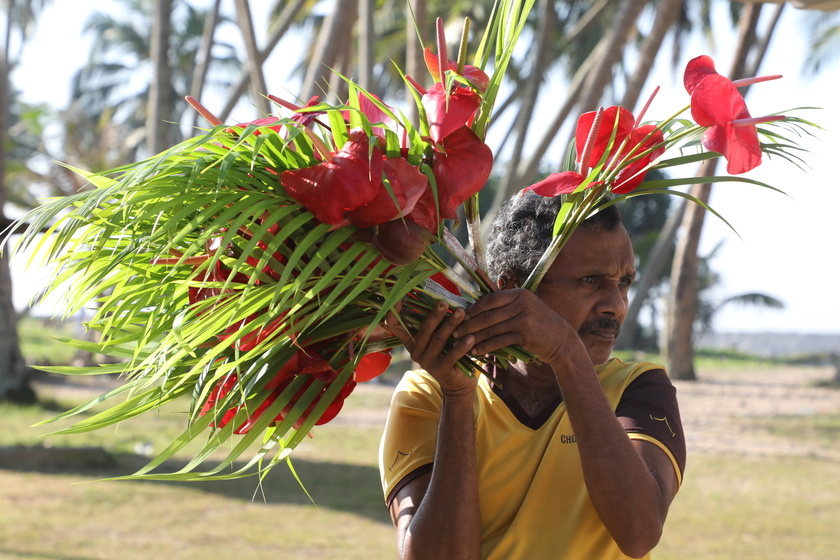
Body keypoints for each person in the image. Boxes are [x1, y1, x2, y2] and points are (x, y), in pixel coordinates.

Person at [379, 191, 686, 560]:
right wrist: (458, 399)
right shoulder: (429, 393)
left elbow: (639, 533)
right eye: (590, 280)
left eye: (624, 282)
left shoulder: (639, 388)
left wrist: (567, 354)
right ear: (511, 289)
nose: (616, 305)